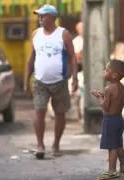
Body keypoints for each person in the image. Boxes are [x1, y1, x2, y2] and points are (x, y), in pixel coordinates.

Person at [24, 4, 78, 159]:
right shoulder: (36, 34)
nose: (40, 19)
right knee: (39, 111)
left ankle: (56, 144)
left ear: (53, 17)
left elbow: (72, 57)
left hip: (60, 81)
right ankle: (40, 145)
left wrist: (74, 78)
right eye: (39, 16)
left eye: (43, 16)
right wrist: (26, 81)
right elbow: (31, 58)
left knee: (60, 113)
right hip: (39, 81)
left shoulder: (64, 34)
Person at [91, 60, 124, 179]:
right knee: (118, 144)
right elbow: (114, 102)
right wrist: (104, 96)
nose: (104, 71)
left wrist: (99, 97)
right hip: (119, 119)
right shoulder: (122, 87)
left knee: (111, 146)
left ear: (114, 75)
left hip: (110, 120)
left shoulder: (109, 88)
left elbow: (105, 106)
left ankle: (112, 170)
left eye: (106, 70)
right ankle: (123, 165)